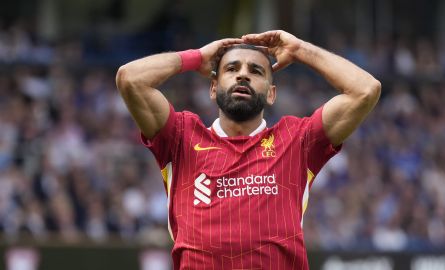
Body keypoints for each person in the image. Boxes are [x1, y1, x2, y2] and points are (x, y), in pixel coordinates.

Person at [116, 30, 381, 269]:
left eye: (256, 71)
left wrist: (300, 50)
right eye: (232, 68)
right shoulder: (180, 137)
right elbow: (130, 79)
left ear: (271, 94)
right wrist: (196, 57)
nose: (243, 74)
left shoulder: (297, 140)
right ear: (213, 87)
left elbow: (366, 90)